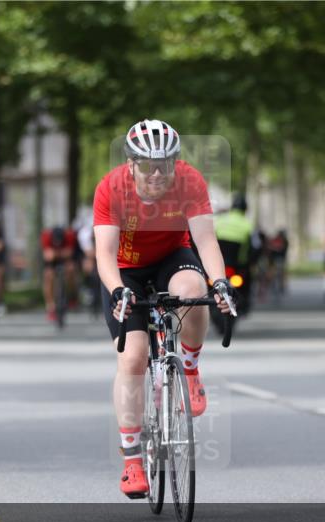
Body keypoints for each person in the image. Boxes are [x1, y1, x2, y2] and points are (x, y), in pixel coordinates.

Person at [94, 118, 233, 498]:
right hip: (124, 271)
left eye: (165, 164)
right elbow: (104, 254)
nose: (157, 173)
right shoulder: (112, 188)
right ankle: (133, 462)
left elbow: (205, 241)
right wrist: (119, 290)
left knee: (193, 288)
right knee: (134, 358)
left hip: (173, 255)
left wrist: (219, 282)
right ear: (131, 162)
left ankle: (189, 366)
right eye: (148, 165)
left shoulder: (190, 182)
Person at [213, 192, 255, 313]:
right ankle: (245, 304)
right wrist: (250, 262)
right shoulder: (248, 225)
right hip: (237, 264)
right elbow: (254, 247)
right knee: (247, 280)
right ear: (245, 209)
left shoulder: (220, 221)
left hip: (219, 262)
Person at [41, 224, 78, 322]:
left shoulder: (69, 236)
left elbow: (70, 253)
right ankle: (50, 306)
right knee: (48, 276)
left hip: (66, 259)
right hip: (52, 261)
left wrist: (57, 254)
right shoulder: (46, 236)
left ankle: (71, 295)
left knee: (71, 269)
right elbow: (47, 255)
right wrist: (57, 254)